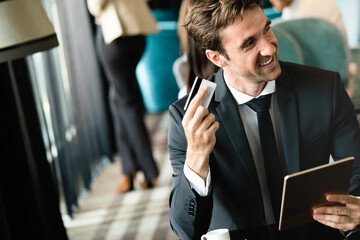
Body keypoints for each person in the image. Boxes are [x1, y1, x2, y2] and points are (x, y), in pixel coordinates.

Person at [167, 0, 360, 239]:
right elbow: (186, 230)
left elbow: (357, 176)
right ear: (217, 57)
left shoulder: (325, 89)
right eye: (249, 43)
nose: (269, 48)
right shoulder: (186, 119)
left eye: (266, 30)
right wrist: (196, 158)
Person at [87, 0, 159, 192]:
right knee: (118, 98)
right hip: (137, 32)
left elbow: (96, 5)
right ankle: (128, 171)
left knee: (127, 102)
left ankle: (148, 171)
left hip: (114, 35)